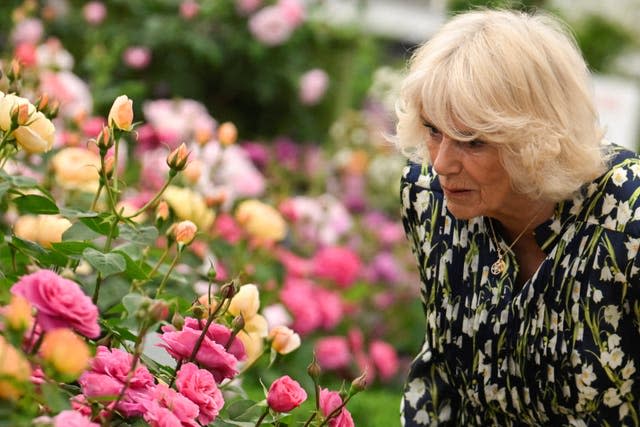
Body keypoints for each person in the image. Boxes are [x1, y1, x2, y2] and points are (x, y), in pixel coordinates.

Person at [391, 8, 640, 426]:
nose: (442, 163)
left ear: (537, 138)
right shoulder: (428, 198)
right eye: (433, 130)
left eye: (472, 141)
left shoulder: (628, 220)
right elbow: (440, 380)